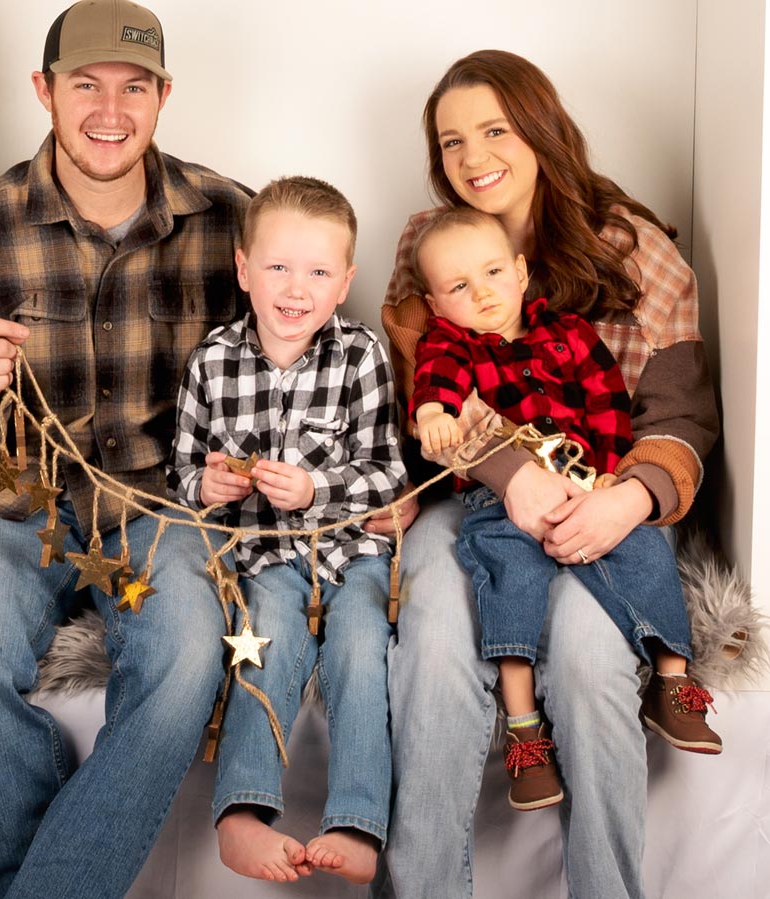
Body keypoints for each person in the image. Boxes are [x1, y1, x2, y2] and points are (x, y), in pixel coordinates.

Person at [0, 2, 253, 897]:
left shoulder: (231, 221)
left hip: (164, 507)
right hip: (8, 507)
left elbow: (283, 378)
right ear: (44, 90)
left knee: (187, 658)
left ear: (164, 96)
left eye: (134, 88)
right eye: (86, 84)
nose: (110, 110)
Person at [365, 50, 719, 898]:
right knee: (436, 643)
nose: (473, 157)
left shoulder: (637, 250)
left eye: (494, 129)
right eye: (451, 141)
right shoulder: (428, 242)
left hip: (603, 497)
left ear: (542, 127)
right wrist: (510, 471)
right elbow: (427, 396)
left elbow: (679, 417)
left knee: (593, 664)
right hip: (469, 496)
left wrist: (625, 501)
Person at [409, 207, 720, 812]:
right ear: (435, 303)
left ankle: (672, 679)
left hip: (587, 482)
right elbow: (436, 379)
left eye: (494, 273)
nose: (483, 293)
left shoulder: (570, 333)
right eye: (459, 286)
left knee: (643, 550)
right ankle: (525, 731)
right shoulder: (451, 341)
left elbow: (607, 403)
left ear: (522, 272)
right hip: (502, 498)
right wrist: (432, 413)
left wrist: (608, 475)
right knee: (509, 575)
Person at [170, 176, 406, 885]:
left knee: (361, 650)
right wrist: (207, 486)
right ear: (244, 269)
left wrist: (314, 490)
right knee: (264, 646)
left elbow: (387, 474)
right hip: (265, 557)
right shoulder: (212, 361)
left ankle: (357, 821)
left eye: (318, 273)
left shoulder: (361, 354)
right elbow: (182, 472)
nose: (296, 289)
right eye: (277, 266)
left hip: (354, 554)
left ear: (346, 282)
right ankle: (242, 810)